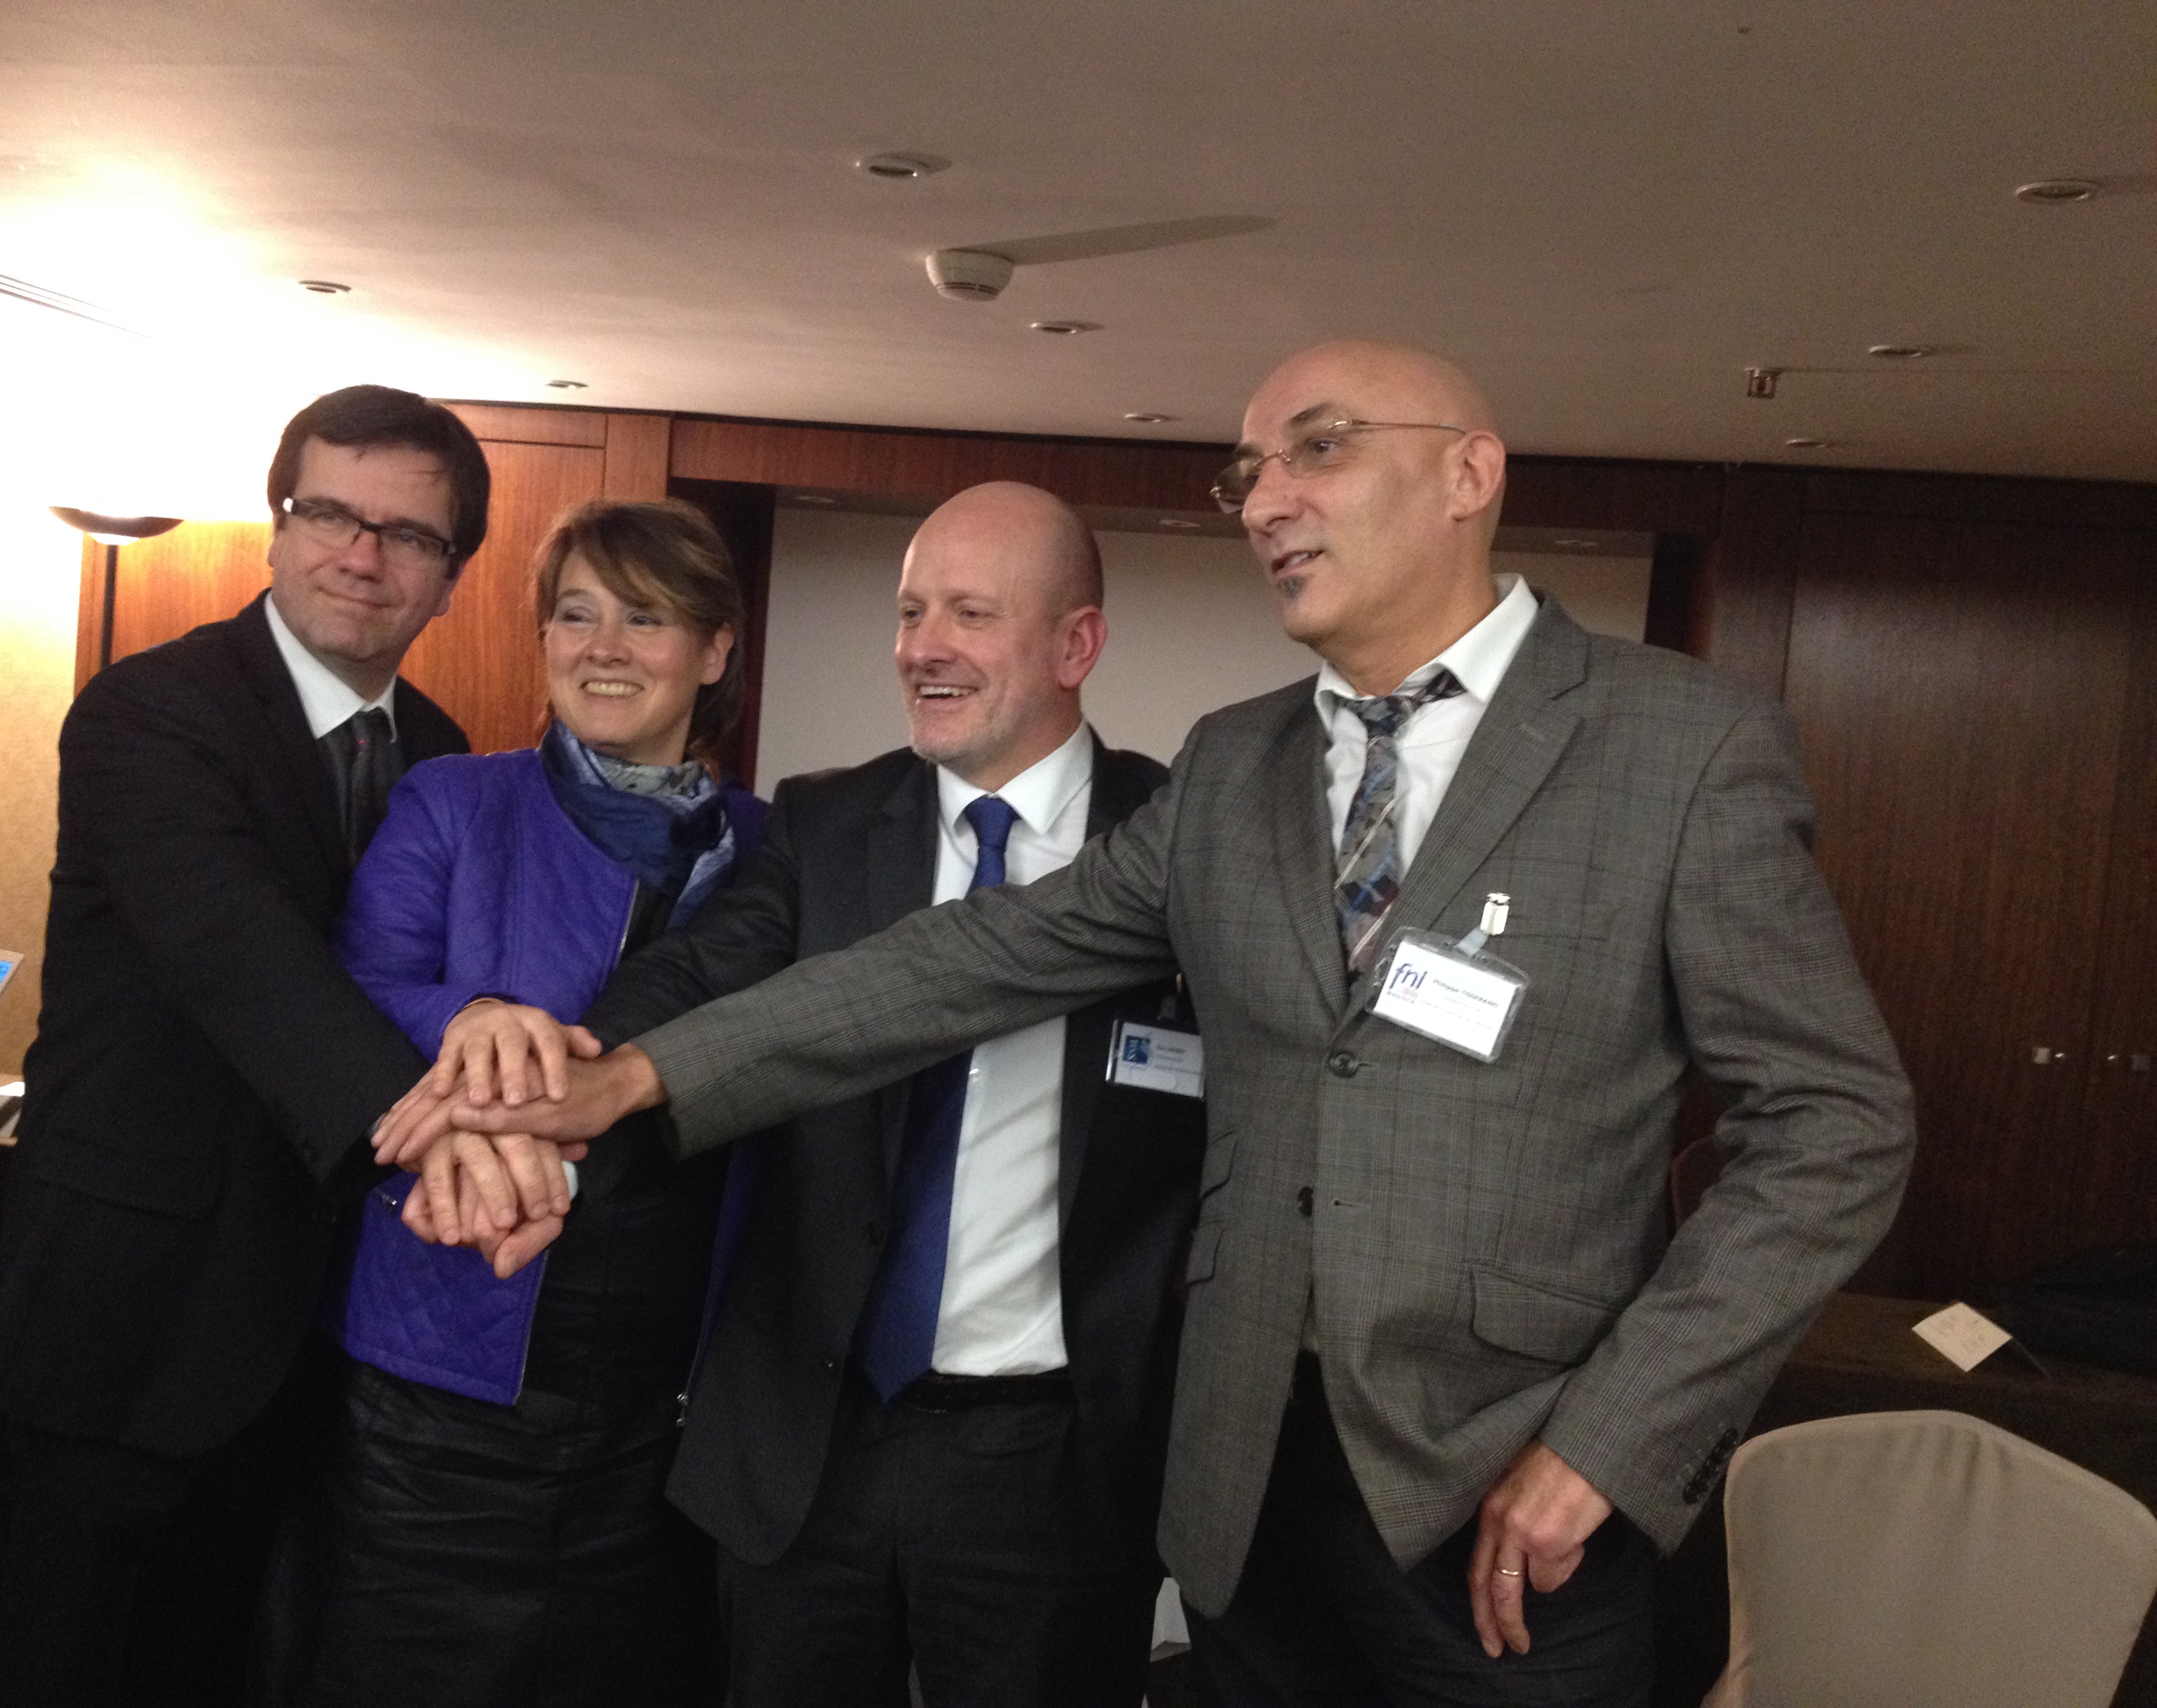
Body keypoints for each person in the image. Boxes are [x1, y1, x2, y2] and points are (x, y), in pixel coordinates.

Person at [393, 342, 1916, 1706]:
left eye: (1319, 449)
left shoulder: (1680, 745)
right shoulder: (1236, 766)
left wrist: (1610, 1444)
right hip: (1244, 1496)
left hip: (1508, 1503)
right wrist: (632, 1077)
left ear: (1470, 475)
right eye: (1249, 472)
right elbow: (969, 962)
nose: (1267, 501)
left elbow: (1835, 1124)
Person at [408, 481, 1204, 1706]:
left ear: (1076, 644)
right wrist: (536, 1107)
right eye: (910, 613)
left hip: (1058, 1459)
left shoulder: (1178, 843)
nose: (924, 648)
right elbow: (691, 984)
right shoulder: (824, 822)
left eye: (971, 614)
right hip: (806, 1441)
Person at [0, 384, 490, 1708]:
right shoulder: (150, 711)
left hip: (324, 1329)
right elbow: (239, 956)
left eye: (407, 535)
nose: (360, 555)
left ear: (452, 575)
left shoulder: (440, 758)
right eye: (330, 513)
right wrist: (449, 1142)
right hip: (135, 1308)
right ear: (277, 525)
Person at [255, 499, 764, 1707]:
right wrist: (473, 1018)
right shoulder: (454, 800)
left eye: (645, 618)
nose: (603, 648)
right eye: (575, 615)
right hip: (439, 1370)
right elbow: (355, 990)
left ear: (715, 650)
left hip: (664, 1395)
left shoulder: (773, 848)